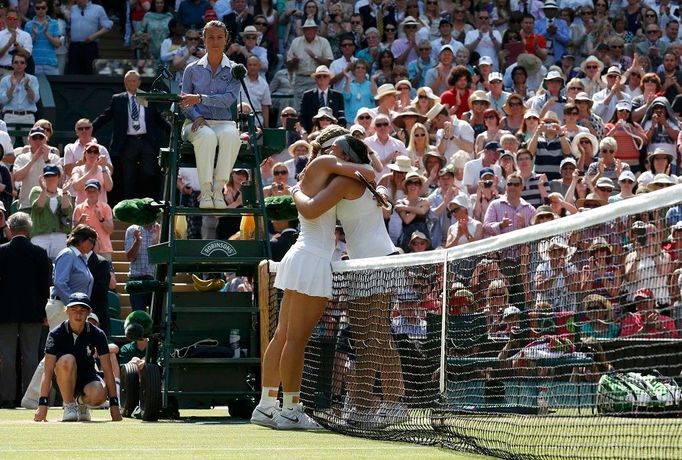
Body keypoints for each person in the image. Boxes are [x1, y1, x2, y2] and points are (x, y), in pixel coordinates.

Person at [252, 126, 376, 430]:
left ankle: (267, 405)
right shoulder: (323, 164)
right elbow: (370, 172)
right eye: (341, 145)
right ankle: (291, 410)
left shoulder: (322, 170)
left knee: (284, 336)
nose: (341, 152)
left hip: (302, 256)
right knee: (294, 339)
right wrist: (295, 193)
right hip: (312, 258)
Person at [290, 134, 409, 425]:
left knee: (374, 335)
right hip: (361, 263)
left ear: (343, 154)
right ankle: (369, 405)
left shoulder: (344, 182)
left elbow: (310, 208)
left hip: (378, 260)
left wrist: (293, 191)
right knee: (366, 337)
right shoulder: (353, 176)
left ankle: (383, 405)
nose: (330, 153)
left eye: (334, 150)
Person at [179, 21, 242, 210]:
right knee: (206, 136)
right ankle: (206, 192)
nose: (215, 41)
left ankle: (217, 190)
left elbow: (227, 100)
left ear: (226, 40)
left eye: (219, 37)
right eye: (211, 37)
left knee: (232, 136)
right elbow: (184, 101)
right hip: (195, 123)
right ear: (204, 40)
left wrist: (198, 98)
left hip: (224, 122)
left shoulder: (235, 69)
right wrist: (197, 116)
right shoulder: (191, 69)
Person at [34, 292, 122, 422]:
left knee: (100, 395)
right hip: (63, 378)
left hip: (88, 376)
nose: (78, 314)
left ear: (89, 312)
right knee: (68, 359)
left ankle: (80, 403)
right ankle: (69, 404)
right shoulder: (55, 334)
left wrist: (114, 404)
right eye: (74, 309)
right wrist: (42, 405)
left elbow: (108, 370)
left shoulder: (97, 334)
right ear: (66, 310)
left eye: (82, 310)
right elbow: (47, 372)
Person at [0, 212, 50, 408]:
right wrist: (43, 311)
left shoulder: (1, 252)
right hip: (33, 311)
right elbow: (44, 286)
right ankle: (30, 398)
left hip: (5, 312)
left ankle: (7, 398)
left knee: (7, 355)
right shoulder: (39, 253)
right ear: (29, 230)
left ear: (10, 229)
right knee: (31, 355)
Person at [93, 70, 168, 200]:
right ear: (125, 82)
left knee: (148, 173)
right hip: (128, 142)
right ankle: (129, 207)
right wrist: (89, 129)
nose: (131, 83)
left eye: (134, 80)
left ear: (139, 82)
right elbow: (105, 117)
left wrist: (173, 130)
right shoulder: (118, 99)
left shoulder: (146, 97)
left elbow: (158, 118)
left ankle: (148, 204)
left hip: (146, 141)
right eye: (129, 81)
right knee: (128, 175)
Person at [11, 126, 60, 212]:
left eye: (41, 137)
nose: (38, 140)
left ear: (46, 139)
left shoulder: (54, 158)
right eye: (34, 137)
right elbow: (17, 177)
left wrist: (47, 160)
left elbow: (58, 180)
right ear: (29, 140)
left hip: (49, 205)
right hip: (27, 204)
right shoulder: (21, 158)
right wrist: (33, 160)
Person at [29, 165, 73, 261]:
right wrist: (44, 190)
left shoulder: (64, 193)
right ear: (44, 178)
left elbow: (66, 211)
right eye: (47, 176)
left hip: (59, 235)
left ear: (59, 177)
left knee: (60, 263)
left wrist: (65, 192)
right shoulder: (36, 191)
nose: (50, 178)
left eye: (53, 175)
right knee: (39, 263)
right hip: (40, 235)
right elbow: (37, 208)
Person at [67, 0, 113, 74]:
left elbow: (107, 26)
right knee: (73, 72)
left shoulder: (98, 9)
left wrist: (94, 36)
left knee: (90, 71)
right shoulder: (73, 9)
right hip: (74, 46)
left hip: (90, 45)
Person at [73, 179, 114, 261]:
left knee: (105, 273)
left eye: (94, 191)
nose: (91, 193)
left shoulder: (105, 207)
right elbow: (73, 232)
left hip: (104, 249)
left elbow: (110, 230)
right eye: (89, 191)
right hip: (84, 249)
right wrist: (80, 222)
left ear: (99, 192)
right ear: (85, 192)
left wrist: (101, 219)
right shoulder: (78, 208)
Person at [125, 220, 160, 312]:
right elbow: (130, 258)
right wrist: (138, 241)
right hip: (136, 281)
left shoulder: (162, 230)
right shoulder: (132, 230)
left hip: (156, 281)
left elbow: (164, 259)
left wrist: (156, 242)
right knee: (138, 319)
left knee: (157, 319)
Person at [299, 65, 344, 133]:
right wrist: (306, 132)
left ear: (329, 78)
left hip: (333, 134)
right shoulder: (307, 96)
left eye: (325, 76)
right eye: (319, 76)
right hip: (312, 134)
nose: (322, 78)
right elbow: (302, 116)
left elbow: (341, 118)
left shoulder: (338, 96)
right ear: (315, 79)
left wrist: (338, 133)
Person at [0, 53, 40, 126]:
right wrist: (12, 87)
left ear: (25, 65)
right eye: (16, 62)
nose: (19, 65)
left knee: (28, 138)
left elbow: (35, 99)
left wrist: (27, 87)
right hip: (10, 115)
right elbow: (2, 100)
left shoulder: (32, 79)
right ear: (12, 64)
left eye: (22, 62)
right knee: (8, 137)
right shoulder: (5, 80)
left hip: (28, 116)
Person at [24, 0, 62, 75]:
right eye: (38, 8)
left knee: (53, 87)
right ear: (34, 9)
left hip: (51, 64)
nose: (40, 10)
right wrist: (34, 35)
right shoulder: (28, 25)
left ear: (47, 8)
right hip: (34, 63)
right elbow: (26, 47)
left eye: (43, 7)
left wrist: (46, 33)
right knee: (33, 87)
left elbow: (57, 44)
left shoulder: (54, 23)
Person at [0, 9, 32, 78]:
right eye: (9, 18)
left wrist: (16, 44)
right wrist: (9, 44)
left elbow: (27, 55)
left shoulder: (26, 35)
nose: (12, 21)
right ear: (5, 19)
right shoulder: (0, 35)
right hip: (2, 71)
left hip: (19, 73)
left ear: (18, 20)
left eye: (14, 19)